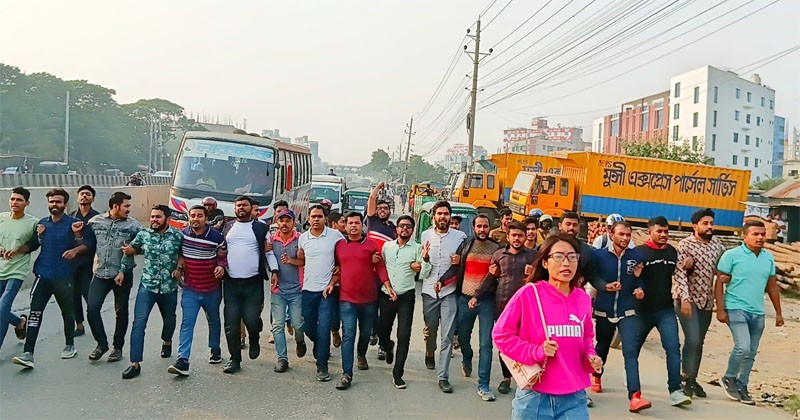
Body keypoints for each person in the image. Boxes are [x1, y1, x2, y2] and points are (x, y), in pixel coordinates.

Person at [493, 234, 602, 420]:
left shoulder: (583, 298)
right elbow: (501, 335)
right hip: (535, 397)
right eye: (558, 256)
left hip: (574, 398)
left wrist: (591, 358)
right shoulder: (529, 294)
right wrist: (536, 351)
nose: (566, 263)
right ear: (545, 262)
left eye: (572, 256)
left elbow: (586, 338)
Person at [12, 189, 94, 368]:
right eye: (51, 202)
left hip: (65, 277)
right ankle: (28, 353)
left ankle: (69, 345)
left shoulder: (75, 224)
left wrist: (75, 247)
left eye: (57, 202)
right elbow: (33, 245)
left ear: (65, 204)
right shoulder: (42, 224)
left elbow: (87, 245)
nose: (54, 205)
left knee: (67, 313)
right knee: (35, 312)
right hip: (43, 275)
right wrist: (16, 250)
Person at [716, 220, 784, 405]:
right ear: (744, 236)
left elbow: (772, 286)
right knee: (743, 346)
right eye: (755, 234)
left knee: (752, 351)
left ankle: (742, 385)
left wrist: (778, 313)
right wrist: (720, 309)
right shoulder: (731, 255)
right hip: (736, 307)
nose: (760, 237)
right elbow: (719, 282)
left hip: (758, 311)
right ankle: (729, 377)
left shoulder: (768, 258)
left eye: (762, 234)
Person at [328, 211, 396, 390]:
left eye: (357, 223)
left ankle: (361, 354)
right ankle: (346, 374)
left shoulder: (372, 245)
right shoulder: (340, 245)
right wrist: (331, 283)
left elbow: (380, 267)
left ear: (362, 225)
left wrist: (388, 286)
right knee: (349, 334)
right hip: (346, 299)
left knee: (365, 333)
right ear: (345, 225)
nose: (353, 226)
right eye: (350, 223)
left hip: (369, 299)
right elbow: (337, 267)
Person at [590, 221, 649, 412]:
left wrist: (640, 288)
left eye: (628, 235)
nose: (625, 238)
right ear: (610, 233)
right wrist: (604, 286)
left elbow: (639, 279)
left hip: (627, 310)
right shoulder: (599, 256)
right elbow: (593, 277)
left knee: (630, 352)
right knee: (603, 347)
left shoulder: (636, 256)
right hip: (604, 309)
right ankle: (597, 374)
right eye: (621, 234)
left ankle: (635, 396)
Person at [633, 217, 692, 406]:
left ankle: (675, 390)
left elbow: (681, 276)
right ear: (650, 232)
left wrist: (685, 298)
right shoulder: (639, 253)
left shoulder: (672, 252)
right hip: (641, 312)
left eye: (666, 231)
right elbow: (630, 278)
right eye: (659, 231)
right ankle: (634, 391)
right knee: (631, 351)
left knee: (673, 348)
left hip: (665, 310)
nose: (663, 235)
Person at [472, 222, 536, 396]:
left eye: (520, 235)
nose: (517, 239)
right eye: (513, 235)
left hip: (527, 309)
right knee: (505, 347)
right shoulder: (499, 254)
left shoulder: (534, 256)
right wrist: (476, 296)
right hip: (502, 307)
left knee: (526, 344)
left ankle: (527, 378)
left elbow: (544, 280)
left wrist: (534, 272)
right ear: (507, 237)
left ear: (525, 237)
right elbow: (490, 279)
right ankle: (507, 378)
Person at [120, 205, 183, 379]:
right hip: (147, 286)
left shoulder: (177, 235)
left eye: (158, 217)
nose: (154, 220)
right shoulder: (144, 235)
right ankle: (135, 363)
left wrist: (179, 269)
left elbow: (182, 254)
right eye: (152, 216)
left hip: (169, 287)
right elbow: (130, 250)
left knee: (169, 320)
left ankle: (167, 341)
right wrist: (122, 271)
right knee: (139, 323)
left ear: (167, 218)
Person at [168, 205, 227, 376]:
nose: (195, 218)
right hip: (191, 290)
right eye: (192, 215)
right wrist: (179, 269)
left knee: (214, 320)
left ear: (206, 218)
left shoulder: (216, 237)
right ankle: (183, 360)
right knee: (187, 324)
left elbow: (223, 257)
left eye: (199, 215)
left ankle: (215, 350)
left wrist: (221, 267)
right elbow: (180, 254)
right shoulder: (183, 236)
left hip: (212, 289)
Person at [673, 208, 725, 398]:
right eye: (705, 223)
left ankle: (693, 379)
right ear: (695, 226)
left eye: (711, 223)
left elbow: (721, 273)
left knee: (699, 342)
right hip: (686, 299)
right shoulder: (685, 245)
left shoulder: (718, 247)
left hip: (706, 301)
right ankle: (684, 378)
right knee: (692, 339)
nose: (709, 226)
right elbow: (679, 274)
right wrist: (685, 299)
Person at [87, 192, 142, 363]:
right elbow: (86, 243)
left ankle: (117, 347)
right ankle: (101, 344)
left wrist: (135, 250)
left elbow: (145, 245)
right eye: (126, 206)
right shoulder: (95, 222)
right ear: (115, 206)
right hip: (100, 273)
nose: (128, 209)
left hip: (122, 275)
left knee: (121, 311)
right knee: (92, 309)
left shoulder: (134, 226)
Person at [219, 196, 271, 373]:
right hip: (231, 283)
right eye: (238, 205)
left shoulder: (261, 228)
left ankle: (254, 338)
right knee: (231, 323)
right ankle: (234, 359)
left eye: (244, 205)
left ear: (251, 208)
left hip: (253, 283)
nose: (241, 208)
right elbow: (221, 250)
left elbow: (269, 251)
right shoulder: (227, 227)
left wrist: (276, 272)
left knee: (251, 319)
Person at [452, 214, 501, 401]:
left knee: (486, 344)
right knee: (463, 338)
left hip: (487, 301)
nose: (482, 229)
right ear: (473, 228)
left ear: (489, 227)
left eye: (485, 226)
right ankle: (467, 356)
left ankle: (484, 384)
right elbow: (456, 267)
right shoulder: (466, 246)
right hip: (465, 299)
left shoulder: (497, 249)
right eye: (479, 226)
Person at [419, 201, 466, 393]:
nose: (443, 217)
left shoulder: (460, 237)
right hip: (429, 291)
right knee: (430, 330)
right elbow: (422, 264)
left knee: (447, 335)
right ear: (434, 217)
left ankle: (443, 376)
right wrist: (424, 259)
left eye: (446, 214)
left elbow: (464, 263)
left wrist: (460, 260)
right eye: (439, 214)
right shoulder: (425, 235)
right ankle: (430, 351)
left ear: (450, 216)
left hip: (449, 292)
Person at [298, 204, 344, 382]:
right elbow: (301, 259)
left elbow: (342, 257)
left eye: (319, 216)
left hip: (327, 291)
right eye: (313, 216)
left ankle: (322, 366)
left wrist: (337, 272)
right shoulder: (303, 238)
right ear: (308, 219)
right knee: (307, 325)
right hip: (308, 290)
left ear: (326, 219)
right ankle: (319, 343)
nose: (316, 219)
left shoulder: (335, 236)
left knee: (324, 328)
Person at [378, 215, 423, 389]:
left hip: (406, 296)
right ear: (396, 229)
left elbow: (424, 272)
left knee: (404, 335)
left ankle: (398, 374)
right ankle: (387, 346)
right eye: (402, 226)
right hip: (387, 295)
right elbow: (381, 268)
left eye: (408, 226)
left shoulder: (417, 248)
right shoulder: (387, 247)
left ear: (412, 230)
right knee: (382, 331)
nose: (405, 229)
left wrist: (423, 262)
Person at [266, 209, 307, 373]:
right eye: (281, 220)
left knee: (297, 324)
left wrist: (293, 260)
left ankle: (300, 341)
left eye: (287, 221)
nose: (284, 224)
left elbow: (305, 261)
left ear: (293, 223)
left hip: (297, 290)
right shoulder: (270, 241)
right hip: (278, 290)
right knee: (277, 325)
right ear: (277, 222)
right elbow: (267, 259)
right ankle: (282, 359)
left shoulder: (301, 240)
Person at [0, 187, 38, 350]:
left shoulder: (33, 222)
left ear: (27, 203)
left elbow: (34, 244)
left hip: (17, 270)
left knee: (2, 307)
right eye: (13, 199)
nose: (14, 202)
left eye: (19, 200)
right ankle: (19, 322)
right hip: (1, 267)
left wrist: (18, 250)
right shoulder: (1, 218)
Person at [366, 182, 398, 354]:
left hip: (386, 275)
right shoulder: (372, 221)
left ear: (390, 211)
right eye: (380, 208)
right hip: (369, 274)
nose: (382, 210)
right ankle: (373, 332)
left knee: (384, 313)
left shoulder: (394, 230)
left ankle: (382, 345)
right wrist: (379, 187)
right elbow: (372, 198)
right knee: (371, 308)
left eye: (386, 208)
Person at [70, 185, 100, 337]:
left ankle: (95, 323)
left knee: (88, 293)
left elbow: (96, 242)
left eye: (88, 194)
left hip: (90, 262)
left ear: (93, 199)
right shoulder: (71, 217)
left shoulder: (97, 218)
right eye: (82, 194)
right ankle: (79, 325)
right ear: (77, 198)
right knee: (73, 293)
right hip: (73, 262)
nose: (84, 197)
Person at [327, 210, 345, 348]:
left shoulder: (343, 238)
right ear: (334, 224)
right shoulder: (319, 236)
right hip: (320, 281)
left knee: (335, 311)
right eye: (342, 222)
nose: (345, 225)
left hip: (339, 281)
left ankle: (334, 330)